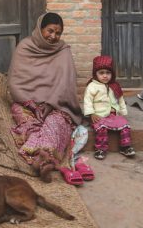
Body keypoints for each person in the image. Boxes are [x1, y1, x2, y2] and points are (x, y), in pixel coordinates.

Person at [7, 12, 88, 184]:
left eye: (58, 33)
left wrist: (51, 105)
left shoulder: (63, 51)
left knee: (56, 122)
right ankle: (44, 156)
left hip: (56, 105)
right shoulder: (25, 47)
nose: (53, 36)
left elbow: (66, 84)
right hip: (28, 103)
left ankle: (42, 157)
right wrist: (32, 105)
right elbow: (15, 82)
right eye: (50, 31)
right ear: (40, 28)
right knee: (25, 118)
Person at [83, 55, 135, 160]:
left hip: (113, 115)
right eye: (101, 73)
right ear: (95, 74)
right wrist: (91, 113)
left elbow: (120, 99)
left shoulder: (115, 86)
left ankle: (125, 147)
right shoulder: (92, 87)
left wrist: (123, 112)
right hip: (99, 115)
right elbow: (87, 101)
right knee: (101, 129)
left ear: (112, 74)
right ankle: (101, 149)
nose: (105, 76)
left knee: (125, 126)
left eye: (108, 73)